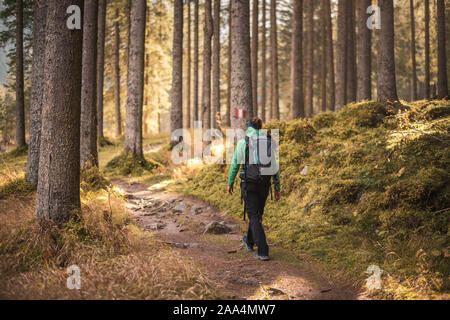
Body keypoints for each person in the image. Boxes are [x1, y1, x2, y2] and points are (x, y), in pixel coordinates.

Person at [227, 118, 281, 261]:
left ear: (249, 127)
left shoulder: (243, 142)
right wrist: (277, 187)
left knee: (254, 215)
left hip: (249, 183)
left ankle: (263, 250)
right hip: (265, 183)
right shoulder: (267, 142)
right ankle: (249, 242)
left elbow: (234, 164)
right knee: (256, 214)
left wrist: (230, 182)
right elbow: (274, 166)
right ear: (260, 127)